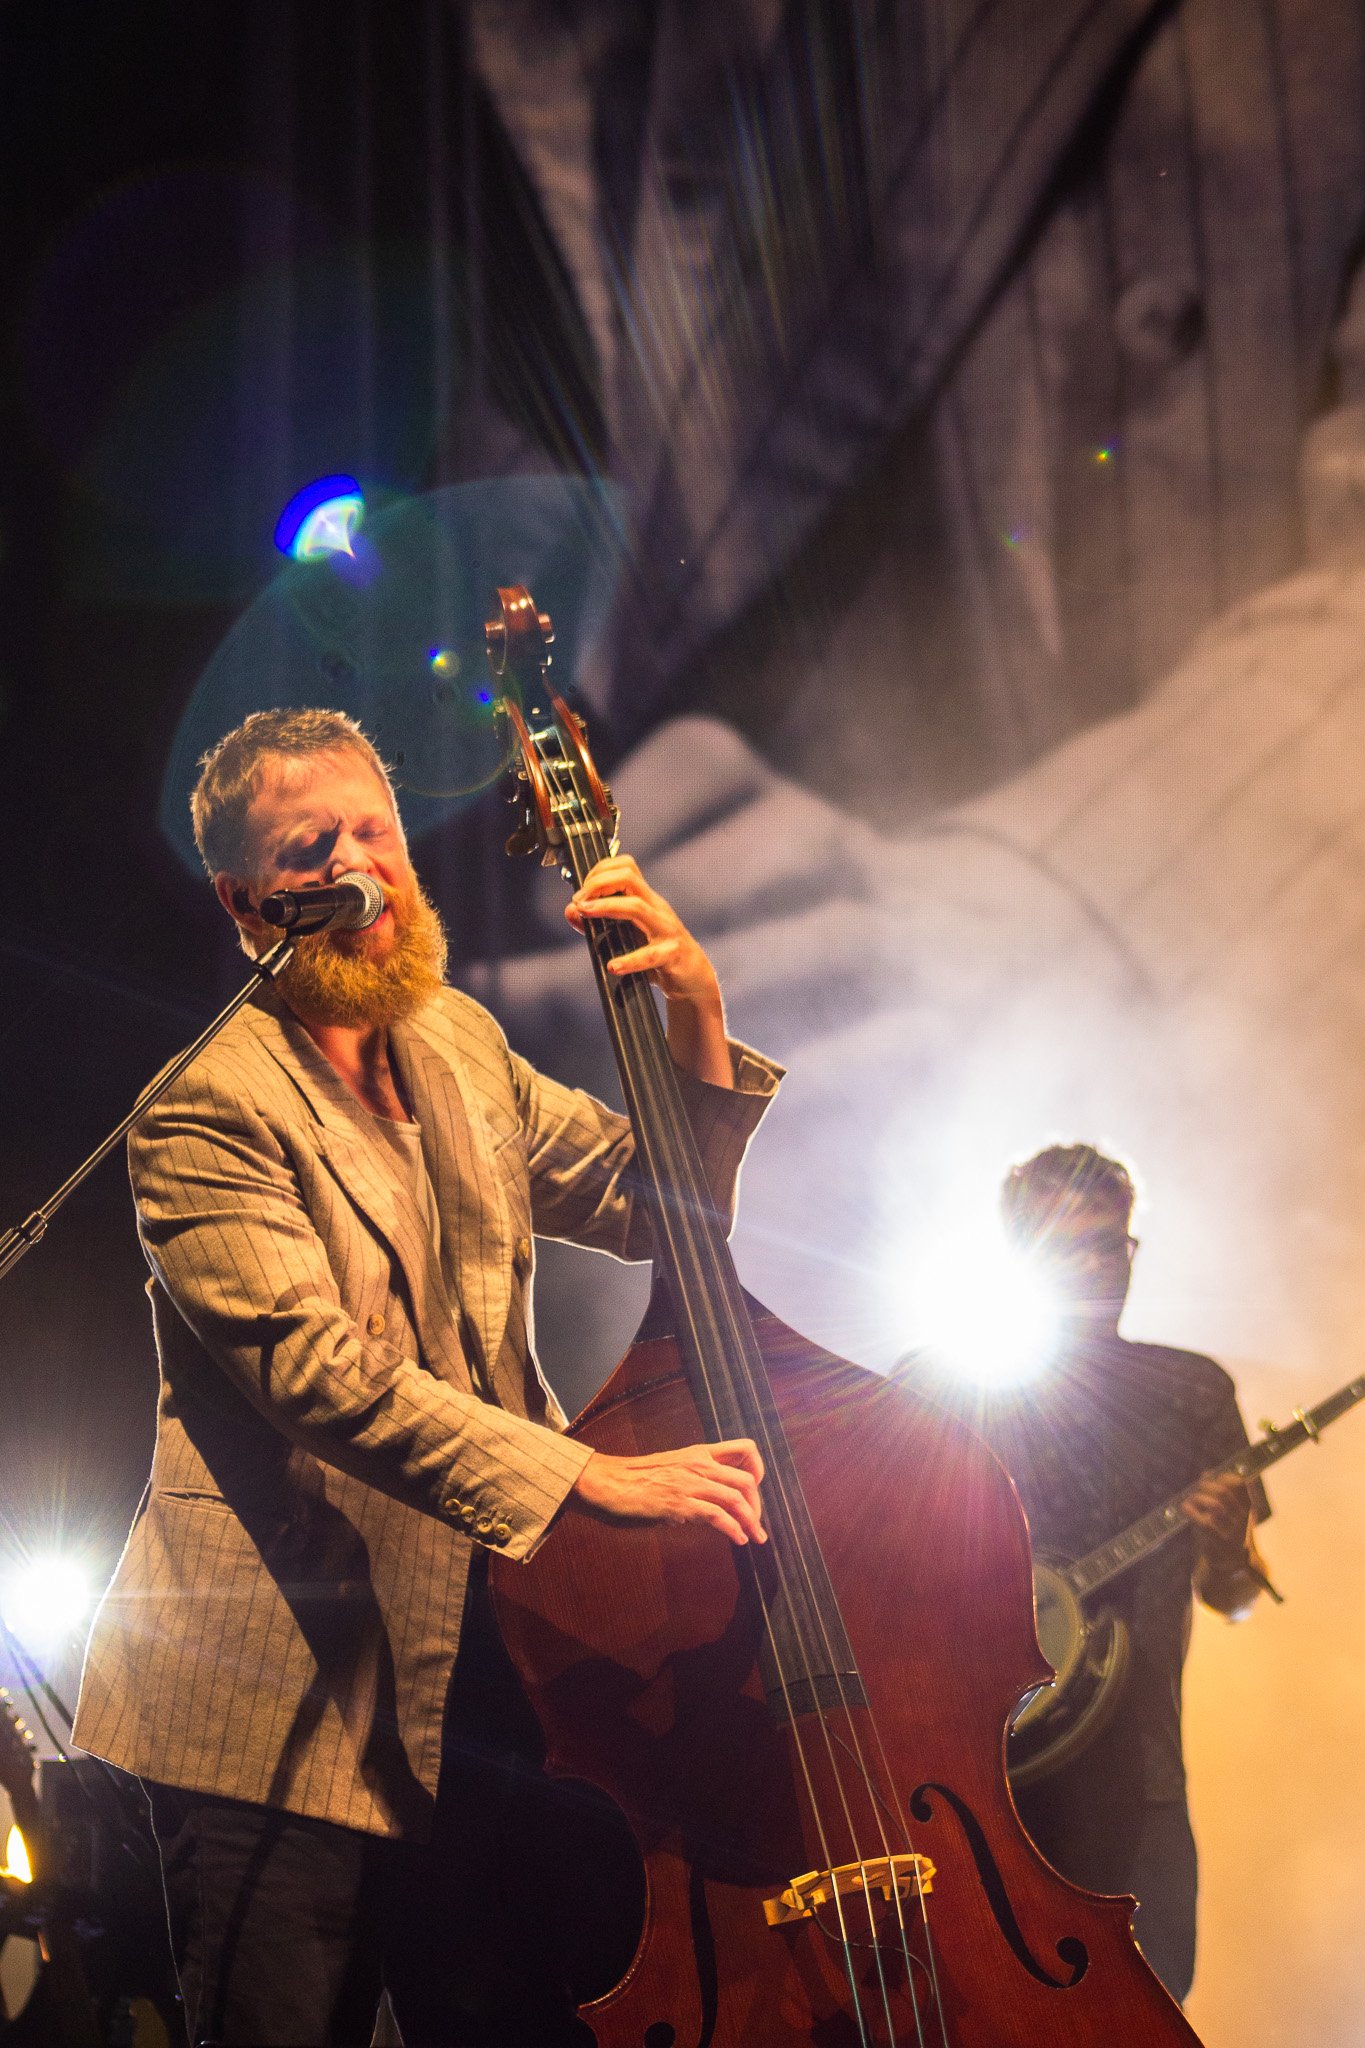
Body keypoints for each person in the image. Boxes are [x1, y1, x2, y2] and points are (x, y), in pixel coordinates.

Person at [71, 706, 780, 2048]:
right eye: (313, 844)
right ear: (246, 903)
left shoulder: (455, 1042)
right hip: (271, 1709)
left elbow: (655, 1201)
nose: (362, 866)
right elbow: (324, 1379)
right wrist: (589, 1484)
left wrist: (696, 1005)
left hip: (468, 1679)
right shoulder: (201, 1111)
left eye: (376, 831)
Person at [896, 1143, 1271, 2006]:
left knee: (1143, 2015)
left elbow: (1236, 1601)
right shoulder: (939, 1386)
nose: (1100, 1267)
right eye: (1071, 1247)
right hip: (967, 1789)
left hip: (1139, 1779)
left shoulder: (1192, 1391)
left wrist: (1228, 1549)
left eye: (1114, 1246)